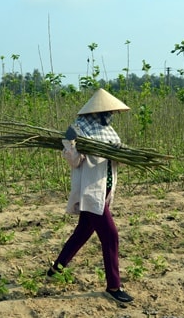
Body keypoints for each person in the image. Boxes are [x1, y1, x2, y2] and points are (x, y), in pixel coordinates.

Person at [48, 88, 134, 303]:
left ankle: (55, 270)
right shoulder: (78, 130)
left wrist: (120, 152)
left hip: (104, 190)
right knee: (111, 235)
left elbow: (117, 163)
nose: (110, 116)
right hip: (91, 192)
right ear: (98, 112)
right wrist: (71, 146)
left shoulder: (110, 133)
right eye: (108, 112)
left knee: (82, 232)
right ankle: (114, 286)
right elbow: (75, 162)